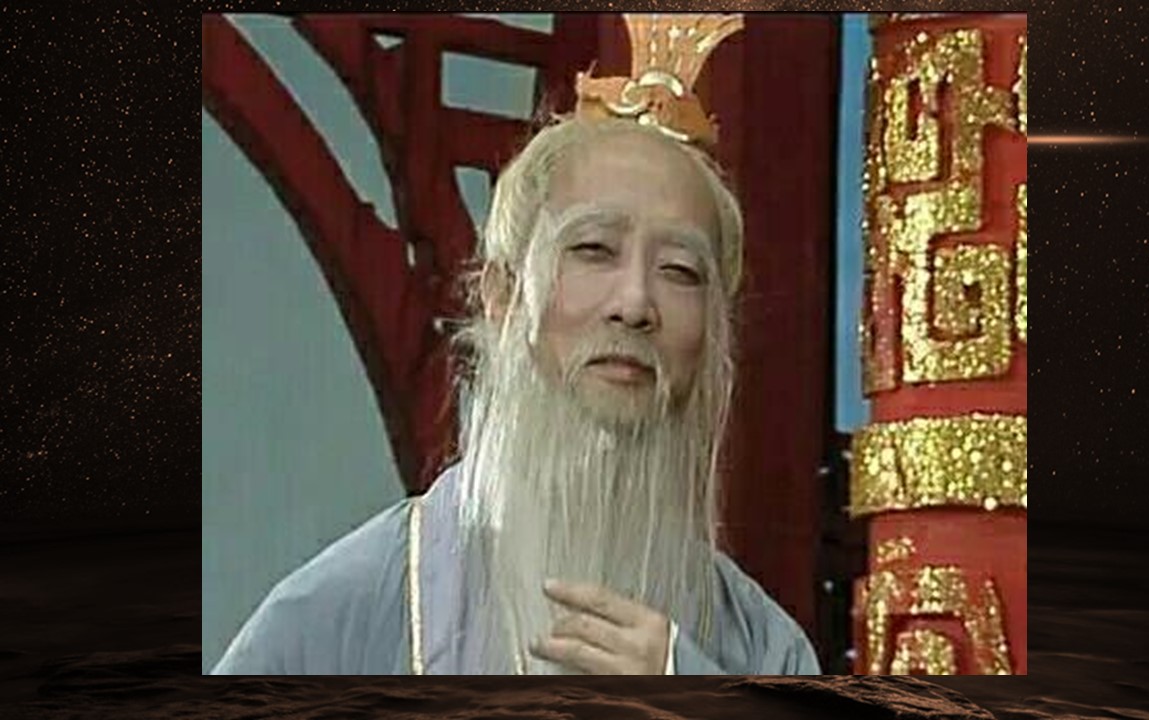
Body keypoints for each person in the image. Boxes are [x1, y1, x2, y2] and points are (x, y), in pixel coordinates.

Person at [212, 101, 819, 675]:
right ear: (502, 296)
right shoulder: (340, 615)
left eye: (680, 271)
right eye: (593, 249)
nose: (635, 303)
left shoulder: (765, 649)